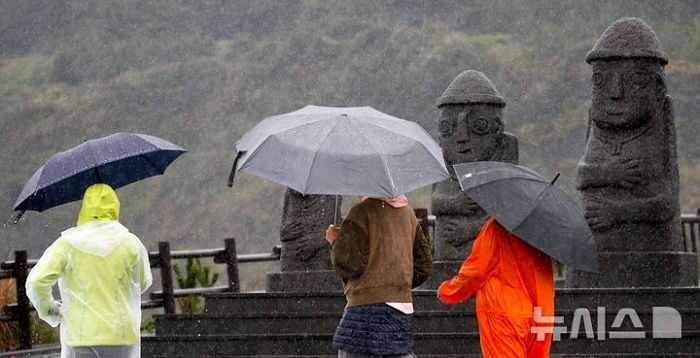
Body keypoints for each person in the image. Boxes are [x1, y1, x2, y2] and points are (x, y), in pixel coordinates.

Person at [26, 183, 153, 358]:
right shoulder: (131, 243)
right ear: (115, 206)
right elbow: (144, 282)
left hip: (81, 336)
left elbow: (36, 282)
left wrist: (51, 311)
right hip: (122, 336)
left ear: (84, 208)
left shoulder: (67, 244)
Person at [326, 195, 433, 358]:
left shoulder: (360, 212)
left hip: (364, 310)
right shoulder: (407, 213)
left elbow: (349, 265)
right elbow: (424, 265)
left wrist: (336, 241)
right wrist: (395, 285)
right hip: (400, 310)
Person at [437, 217, 554, 358]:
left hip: (504, 313)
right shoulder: (542, 232)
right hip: (540, 313)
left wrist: (448, 290)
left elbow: (476, 271)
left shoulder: (496, 228)